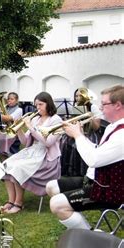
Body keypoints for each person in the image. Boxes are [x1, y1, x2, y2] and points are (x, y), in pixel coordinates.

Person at [46, 85, 124, 230]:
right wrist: (80, 135)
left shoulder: (122, 134)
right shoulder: (112, 127)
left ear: (118, 105)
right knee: (51, 187)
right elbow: (97, 150)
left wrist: (78, 135)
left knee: (57, 204)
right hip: (96, 180)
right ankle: (81, 227)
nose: (100, 108)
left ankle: (90, 237)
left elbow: (93, 160)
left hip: (111, 190)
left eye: (104, 104)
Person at [0, 92, 62, 214]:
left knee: (18, 167)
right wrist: (19, 129)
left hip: (46, 156)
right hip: (32, 152)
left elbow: (48, 143)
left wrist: (31, 128)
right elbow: (25, 141)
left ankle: (19, 203)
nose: (38, 108)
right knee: (5, 164)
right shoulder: (36, 119)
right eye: (36, 105)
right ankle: (11, 201)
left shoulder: (55, 120)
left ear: (48, 104)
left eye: (41, 104)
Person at [60, 87, 102, 177]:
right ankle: (68, 170)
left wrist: (88, 115)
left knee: (77, 145)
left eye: (80, 96)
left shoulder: (93, 107)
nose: (78, 98)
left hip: (89, 133)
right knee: (64, 141)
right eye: (76, 96)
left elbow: (97, 127)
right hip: (78, 131)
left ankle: (82, 171)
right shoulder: (75, 106)